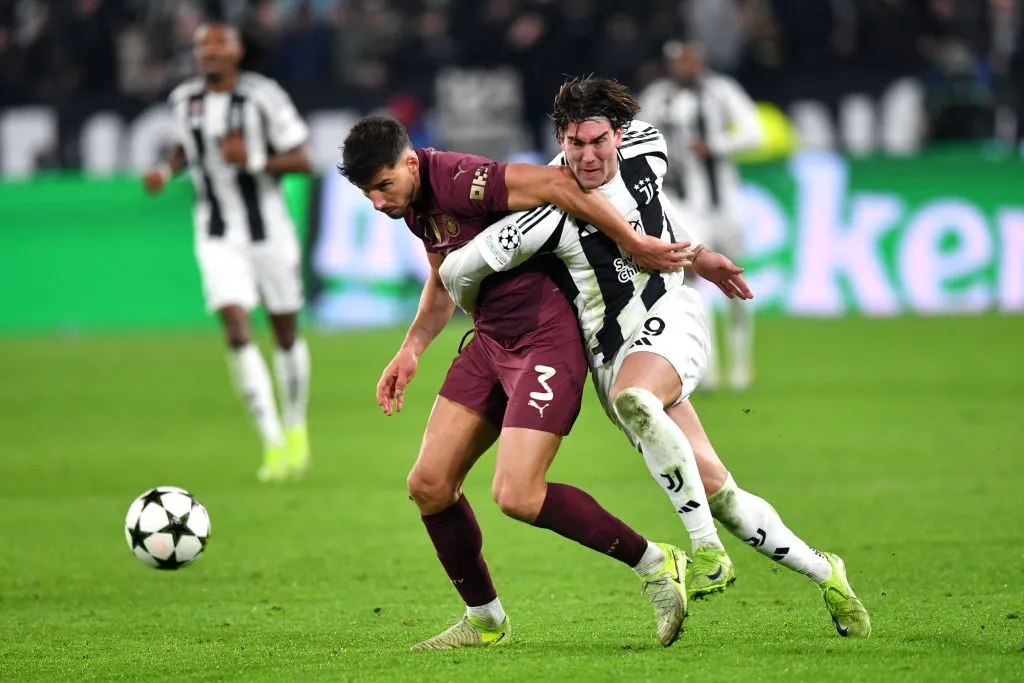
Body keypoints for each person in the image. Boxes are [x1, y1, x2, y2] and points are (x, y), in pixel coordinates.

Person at [439, 76, 871, 639]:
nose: (588, 155)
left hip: (671, 316)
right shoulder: (544, 214)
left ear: (618, 134)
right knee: (722, 494)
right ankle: (825, 571)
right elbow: (455, 271)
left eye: (598, 141)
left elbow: (659, 213)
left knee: (637, 400)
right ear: (560, 141)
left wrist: (700, 254)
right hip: (611, 353)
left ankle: (706, 553)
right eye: (575, 143)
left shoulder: (649, 145)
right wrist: (482, 313)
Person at [339, 115, 693, 651]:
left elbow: (558, 185)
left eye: (384, 186)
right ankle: (485, 620)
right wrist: (410, 348)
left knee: (518, 495)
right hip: (490, 342)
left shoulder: (462, 178)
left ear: (410, 163)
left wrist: (633, 242)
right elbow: (442, 277)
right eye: (369, 194)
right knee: (429, 485)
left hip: (546, 341)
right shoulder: (414, 207)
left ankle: (655, 563)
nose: (379, 202)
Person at [143, 23, 312, 482]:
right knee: (236, 326)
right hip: (216, 232)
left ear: (238, 51)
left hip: (269, 231)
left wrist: (251, 160)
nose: (211, 51)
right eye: (203, 45)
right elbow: (185, 146)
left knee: (284, 331)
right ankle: (272, 441)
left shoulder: (264, 97)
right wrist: (164, 170)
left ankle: (296, 427)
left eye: (220, 43)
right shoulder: (184, 100)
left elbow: (303, 159)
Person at [640, 40, 764, 392]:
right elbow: (635, 141)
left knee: (736, 278)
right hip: (685, 205)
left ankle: (742, 363)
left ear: (702, 60)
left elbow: (754, 132)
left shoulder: (722, 91)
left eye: (692, 60)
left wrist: (716, 145)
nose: (687, 67)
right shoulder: (656, 97)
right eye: (680, 61)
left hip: (725, 203)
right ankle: (707, 369)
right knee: (693, 282)